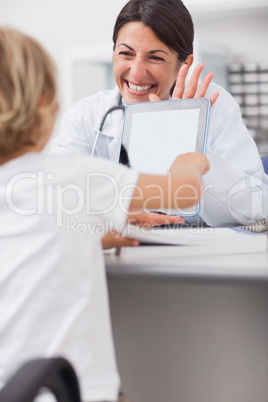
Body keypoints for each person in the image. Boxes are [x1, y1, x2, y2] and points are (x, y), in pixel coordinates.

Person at [0, 27, 209, 402]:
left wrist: (99, 231)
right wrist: (189, 160)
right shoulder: (74, 175)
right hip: (70, 391)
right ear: (46, 103)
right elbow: (185, 190)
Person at [52, 0, 268, 230]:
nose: (136, 73)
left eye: (155, 57)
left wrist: (186, 141)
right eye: (126, 53)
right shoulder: (86, 116)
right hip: (119, 255)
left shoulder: (214, 105)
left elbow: (258, 206)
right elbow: (55, 197)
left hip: (197, 256)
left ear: (184, 64)